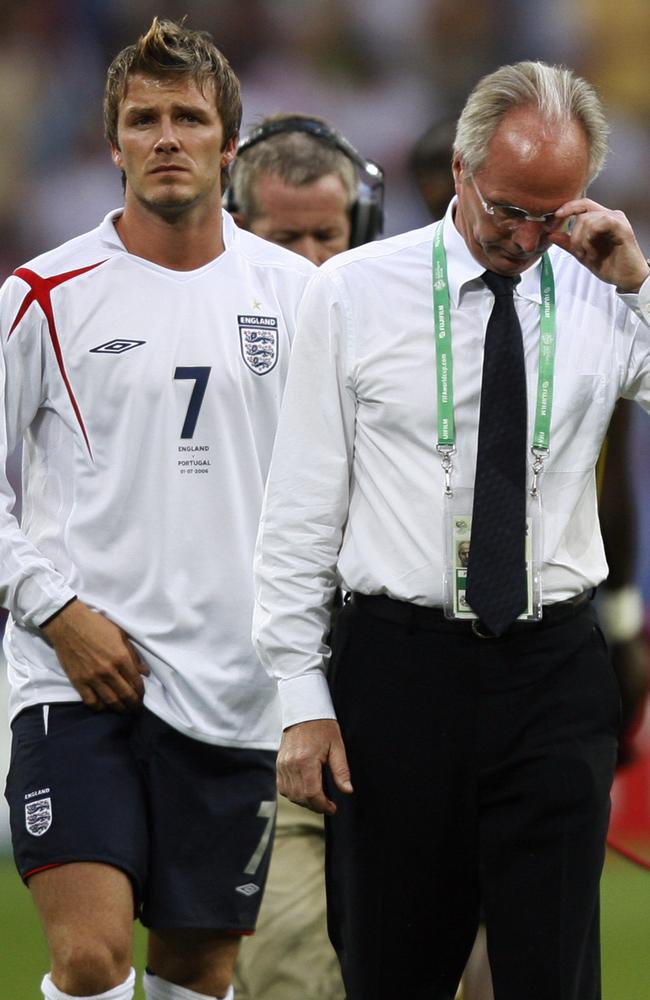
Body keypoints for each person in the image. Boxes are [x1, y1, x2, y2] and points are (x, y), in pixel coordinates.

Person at [252, 60, 650, 1000]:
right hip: (399, 674)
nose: (527, 238)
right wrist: (302, 697)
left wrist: (639, 287)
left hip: (555, 671)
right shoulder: (353, 292)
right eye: (510, 208)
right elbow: (299, 509)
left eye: (553, 214)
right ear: (462, 172)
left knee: (554, 975)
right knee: (395, 971)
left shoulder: (601, 287)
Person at [1, 18, 314, 1000]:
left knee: (198, 970)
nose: (165, 136)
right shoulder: (41, 295)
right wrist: (54, 608)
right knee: (89, 958)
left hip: (232, 689)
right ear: (114, 144)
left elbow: (331, 492)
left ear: (230, 143)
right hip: (75, 680)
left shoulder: (301, 297)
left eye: (188, 117)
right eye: (143, 119)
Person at [229, 114, 384, 1000]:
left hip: (398, 710)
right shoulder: (202, 350)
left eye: (327, 234)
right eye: (286, 237)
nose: (312, 260)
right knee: (290, 974)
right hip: (255, 721)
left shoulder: (401, 342)